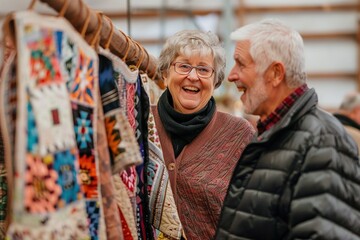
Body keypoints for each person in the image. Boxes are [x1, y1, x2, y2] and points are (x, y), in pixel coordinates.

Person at [215, 19, 360, 240]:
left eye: (241, 64)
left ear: (275, 73)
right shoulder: (272, 134)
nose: (232, 75)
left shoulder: (322, 142)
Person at [152, 29, 255, 239]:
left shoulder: (239, 135)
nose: (193, 76)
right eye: (183, 66)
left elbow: (254, 214)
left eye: (203, 69)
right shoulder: (142, 121)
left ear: (215, 81)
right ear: (165, 73)